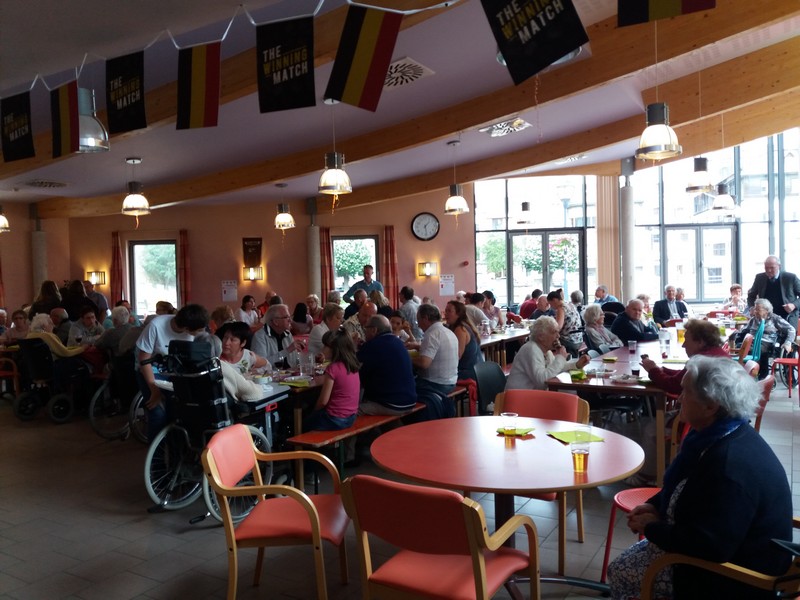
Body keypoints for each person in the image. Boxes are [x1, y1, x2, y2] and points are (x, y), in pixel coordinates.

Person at [607, 356, 792, 600]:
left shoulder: (728, 465)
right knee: (621, 568)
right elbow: (686, 486)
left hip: (736, 580)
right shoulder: (723, 435)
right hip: (721, 551)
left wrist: (651, 527)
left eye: (686, 392)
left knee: (621, 574)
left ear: (711, 405)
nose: (679, 398)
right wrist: (654, 505)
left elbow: (710, 547)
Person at [136, 303, 209, 441]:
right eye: (199, 330)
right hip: (150, 370)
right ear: (186, 328)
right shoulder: (156, 326)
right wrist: (154, 390)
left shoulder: (192, 330)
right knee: (157, 414)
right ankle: (156, 453)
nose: (202, 331)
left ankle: (174, 449)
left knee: (177, 412)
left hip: (174, 372)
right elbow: (143, 360)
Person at [641, 319, 730, 396]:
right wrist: (663, 370)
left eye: (686, 340)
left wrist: (653, 370)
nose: (683, 345)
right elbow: (685, 375)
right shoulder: (716, 353)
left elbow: (673, 386)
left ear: (700, 342)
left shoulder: (701, 362)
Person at [506, 316, 590, 390]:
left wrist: (576, 365)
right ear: (541, 336)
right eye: (554, 332)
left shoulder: (546, 351)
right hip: (518, 399)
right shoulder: (531, 349)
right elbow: (543, 382)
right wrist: (560, 357)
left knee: (571, 394)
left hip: (530, 396)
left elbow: (555, 370)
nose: (558, 336)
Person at [357, 315, 417, 416]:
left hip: (391, 405)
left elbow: (357, 372)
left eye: (366, 328)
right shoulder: (398, 342)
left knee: (349, 413)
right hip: (410, 401)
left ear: (374, 330)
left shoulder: (373, 345)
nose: (364, 332)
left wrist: (352, 347)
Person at [408, 303, 459, 420]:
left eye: (418, 320)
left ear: (425, 318)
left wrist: (406, 358)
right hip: (451, 381)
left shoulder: (431, 334)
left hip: (435, 384)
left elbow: (424, 363)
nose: (418, 325)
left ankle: (410, 423)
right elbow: (438, 350)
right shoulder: (448, 332)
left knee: (403, 389)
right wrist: (418, 346)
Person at [303, 329, 360, 431]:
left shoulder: (333, 368)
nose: (323, 349)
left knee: (303, 422)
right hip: (351, 417)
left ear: (335, 349)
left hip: (335, 419)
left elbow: (323, 402)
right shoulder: (352, 365)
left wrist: (314, 411)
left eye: (326, 346)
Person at [733, 298, 795, 380]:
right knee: (740, 347)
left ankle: (762, 375)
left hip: (767, 342)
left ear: (766, 310)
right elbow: (744, 330)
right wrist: (735, 334)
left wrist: (788, 342)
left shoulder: (775, 318)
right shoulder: (753, 319)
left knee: (758, 350)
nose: (755, 311)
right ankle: (744, 373)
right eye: (755, 309)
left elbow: (791, 329)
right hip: (751, 341)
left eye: (758, 309)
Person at [194, 332, 263, 403]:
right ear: (219, 349)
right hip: (224, 409)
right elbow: (253, 393)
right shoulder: (218, 366)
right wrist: (259, 387)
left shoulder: (189, 367)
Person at [747, 255, 800, 330]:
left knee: (788, 336)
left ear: (779, 266)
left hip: (787, 317)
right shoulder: (760, 278)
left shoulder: (791, 277)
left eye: (772, 267)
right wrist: (752, 307)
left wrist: (794, 305)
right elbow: (751, 296)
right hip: (766, 318)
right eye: (766, 268)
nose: (769, 270)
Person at [250, 304, 304, 369]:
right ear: (275, 322)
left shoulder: (287, 334)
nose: (290, 320)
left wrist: (304, 361)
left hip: (291, 374)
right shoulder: (260, 336)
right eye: (286, 317)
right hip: (271, 375)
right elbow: (260, 365)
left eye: (290, 317)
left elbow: (294, 361)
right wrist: (287, 350)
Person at [443, 300, 483, 380]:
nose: (445, 313)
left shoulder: (460, 329)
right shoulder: (464, 325)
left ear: (458, 314)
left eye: (449, 311)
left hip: (470, 373)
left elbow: (457, 356)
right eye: (445, 311)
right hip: (477, 370)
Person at [548, 289, 582, 357]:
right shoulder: (570, 304)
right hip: (578, 338)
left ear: (554, 300)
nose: (551, 307)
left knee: (546, 340)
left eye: (550, 304)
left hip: (569, 340)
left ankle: (552, 359)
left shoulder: (561, 309)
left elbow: (558, 327)